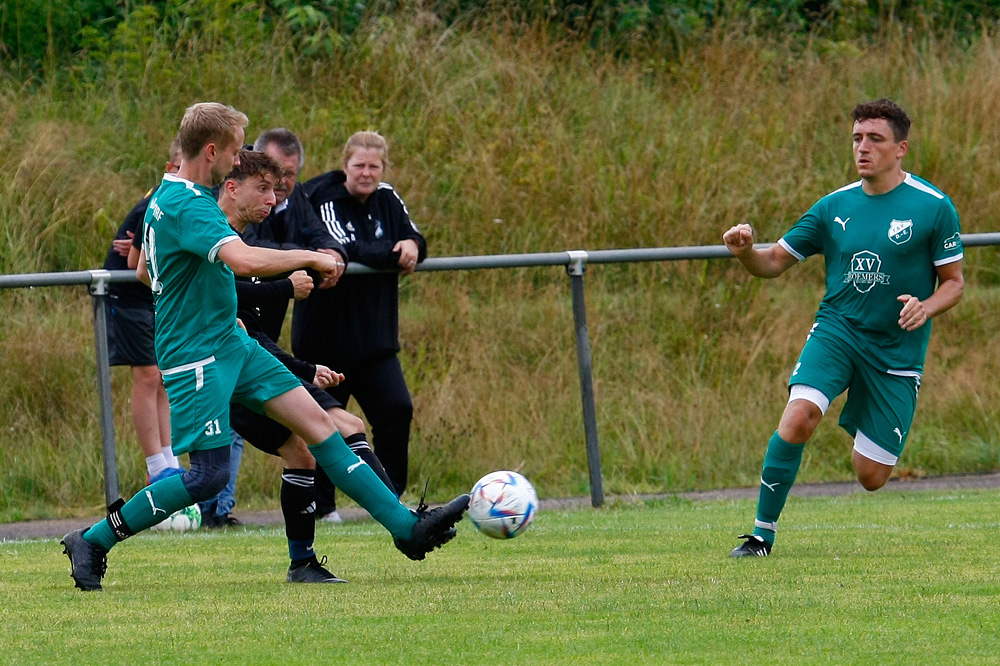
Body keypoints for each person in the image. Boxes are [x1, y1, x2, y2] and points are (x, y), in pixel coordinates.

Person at [61, 102, 468, 592]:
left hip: (232, 343)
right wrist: (311, 256)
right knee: (207, 477)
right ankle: (93, 539)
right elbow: (242, 257)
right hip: (197, 357)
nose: (239, 161)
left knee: (321, 428)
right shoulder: (190, 204)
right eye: (235, 153)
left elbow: (147, 270)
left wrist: (193, 286)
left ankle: (407, 529)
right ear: (211, 152)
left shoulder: (168, 195)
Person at [723, 99, 964, 558]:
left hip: (895, 351)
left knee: (871, 476)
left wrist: (926, 307)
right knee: (798, 417)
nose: (863, 148)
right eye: (857, 138)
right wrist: (746, 252)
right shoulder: (834, 207)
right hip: (837, 332)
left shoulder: (934, 208)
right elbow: (773, 262)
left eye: (875, 139)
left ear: (901, 149)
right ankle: (760, 536)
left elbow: (954, 284)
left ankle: (863, 416)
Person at [220, 148, 396, 582]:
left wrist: (324, 255)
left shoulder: (286, 205)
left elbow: (320, 240)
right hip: (229, 367)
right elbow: (241, 288)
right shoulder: (213, 227)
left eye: (285, 183)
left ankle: (310, 560)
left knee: (321, 442)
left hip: (261, 358)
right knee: (204, 478)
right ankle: (403, 521)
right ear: (232, 183)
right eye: (265, 187)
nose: (276, 196)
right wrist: (293, 274)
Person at [296, 131, 425, 516]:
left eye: (374, 166)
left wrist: (415, 244)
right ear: (345, 164)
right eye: (359, 165)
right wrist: (393, 252)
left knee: (396, 410)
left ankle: (391, 498)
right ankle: (323, 507)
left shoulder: (388, 196)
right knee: (324, 423)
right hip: (325, 341)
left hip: (375, 340)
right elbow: (344, 248)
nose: (366, 173)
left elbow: (412, 235)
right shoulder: (326, 196)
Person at [102, 138, 182, 485]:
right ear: (169, 169)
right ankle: (156, 465)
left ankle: (170, 457)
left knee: (164, 377)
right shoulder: (158, 201)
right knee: (148, 375)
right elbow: (136, 262)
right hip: (130, 298)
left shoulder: (188, 202)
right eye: (178, 167)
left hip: (155, 297)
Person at [242, 127, 347, 343]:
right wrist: (311, 257)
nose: (280, 180)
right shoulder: (232, 189)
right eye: (274, 170)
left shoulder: (296, 196)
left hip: (266, 329)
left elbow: (318, 233)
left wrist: (334, 254)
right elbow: (248, 248)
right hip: (228, 327)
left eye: (289, 173)